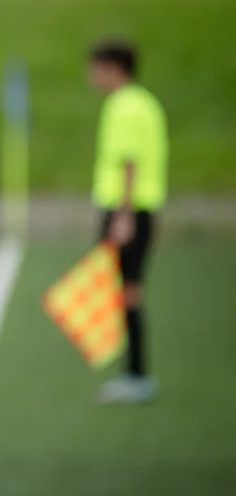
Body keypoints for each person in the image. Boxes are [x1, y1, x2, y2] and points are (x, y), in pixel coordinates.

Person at [87, 39, 168, 404]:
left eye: (96, 68)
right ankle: (134, 372)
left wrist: (123, 217)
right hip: (140, 208)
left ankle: (136, 374)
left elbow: (130, 162)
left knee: (127, 293)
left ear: (114, 68)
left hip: (127, 210)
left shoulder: (124, 107)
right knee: (127, 291)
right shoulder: (145, 103)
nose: (92, 76)